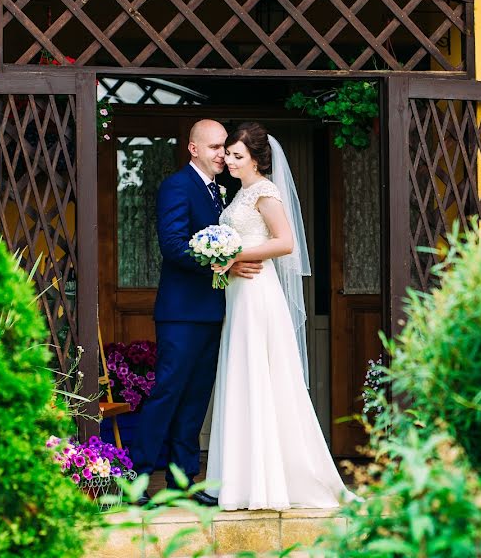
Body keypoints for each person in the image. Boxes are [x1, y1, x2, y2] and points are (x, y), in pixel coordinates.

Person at [205, 122, 357, 510]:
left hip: (258, 293)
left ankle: (269, 482)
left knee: (260, 373)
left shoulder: (266, 192)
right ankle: (239, 482)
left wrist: (234, 255)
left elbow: (285, 242)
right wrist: (221, 259)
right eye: (229, 155)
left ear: (256, 159)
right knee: (241, 374)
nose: (230, 160)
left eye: (238, 156)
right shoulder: (238, 195)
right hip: (238, 294)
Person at [129, 119, 262, 506]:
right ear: (194, 149)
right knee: (168, 393)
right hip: (181, 312)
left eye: (226, 148)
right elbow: (172, 245)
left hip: (212, 310)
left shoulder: (219, 192)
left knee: (196, 399)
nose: (222, 154)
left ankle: (182, 484)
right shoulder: (177, 186)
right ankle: (135, 481)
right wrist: (224, 263)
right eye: (215, 147)